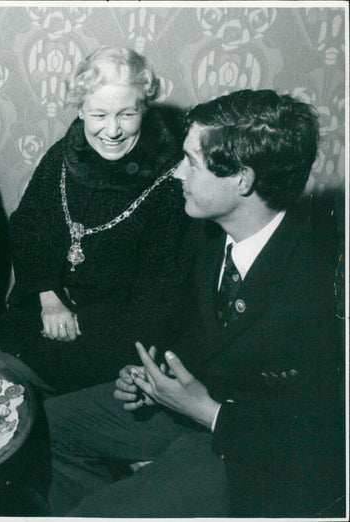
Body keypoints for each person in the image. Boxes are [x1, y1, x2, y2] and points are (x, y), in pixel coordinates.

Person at [45, 89, 344, 517]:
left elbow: (327, 442)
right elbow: (213, 338)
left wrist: (207, 411)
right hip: (193, 411)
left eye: (191, 162)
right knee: (44, 425)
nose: (176, 174)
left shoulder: (324, 281)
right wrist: (160, 379)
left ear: (242, 179)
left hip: (253, 456)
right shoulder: (207, 234)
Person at [0, 47, 193, 394]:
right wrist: (49, 299)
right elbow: (28, 227)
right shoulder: (62, 156)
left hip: (117, 340)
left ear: (144, 109)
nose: (112, 131)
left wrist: (78, 321)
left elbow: (162, 292)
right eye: (98, 115)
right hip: (42, 313)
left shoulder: (171, 183)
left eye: (126, 115)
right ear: (80, 111)